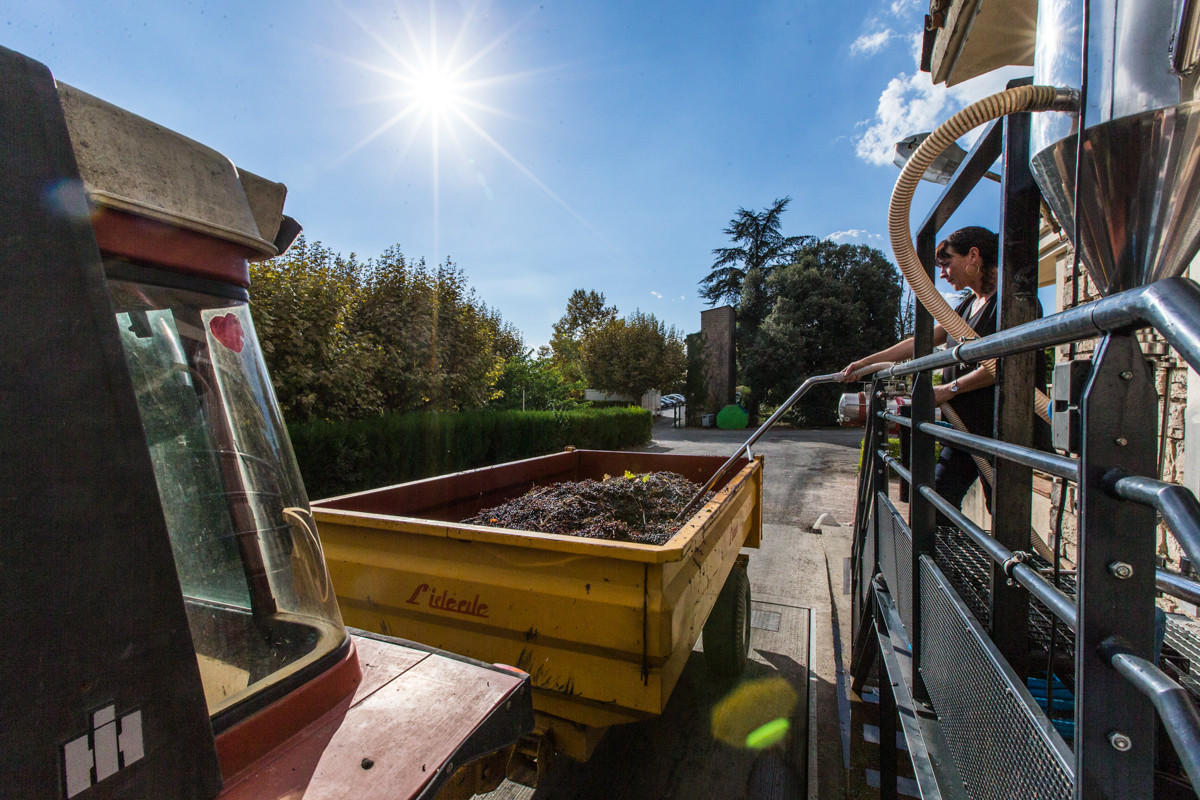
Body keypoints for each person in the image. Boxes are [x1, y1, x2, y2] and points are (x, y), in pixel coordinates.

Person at [841, 226, 1038, 516]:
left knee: (1003, 511)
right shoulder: (967, 306)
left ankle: (1011, 561)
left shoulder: (1013, 305)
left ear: (973, 256)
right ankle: (946, 561)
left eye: (947, 264)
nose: (943, 274)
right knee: (936, 502)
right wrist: (865, 363)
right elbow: (917, 342)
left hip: (999, 428)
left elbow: (1009, 367)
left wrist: (947, 390)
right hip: (964, 428)